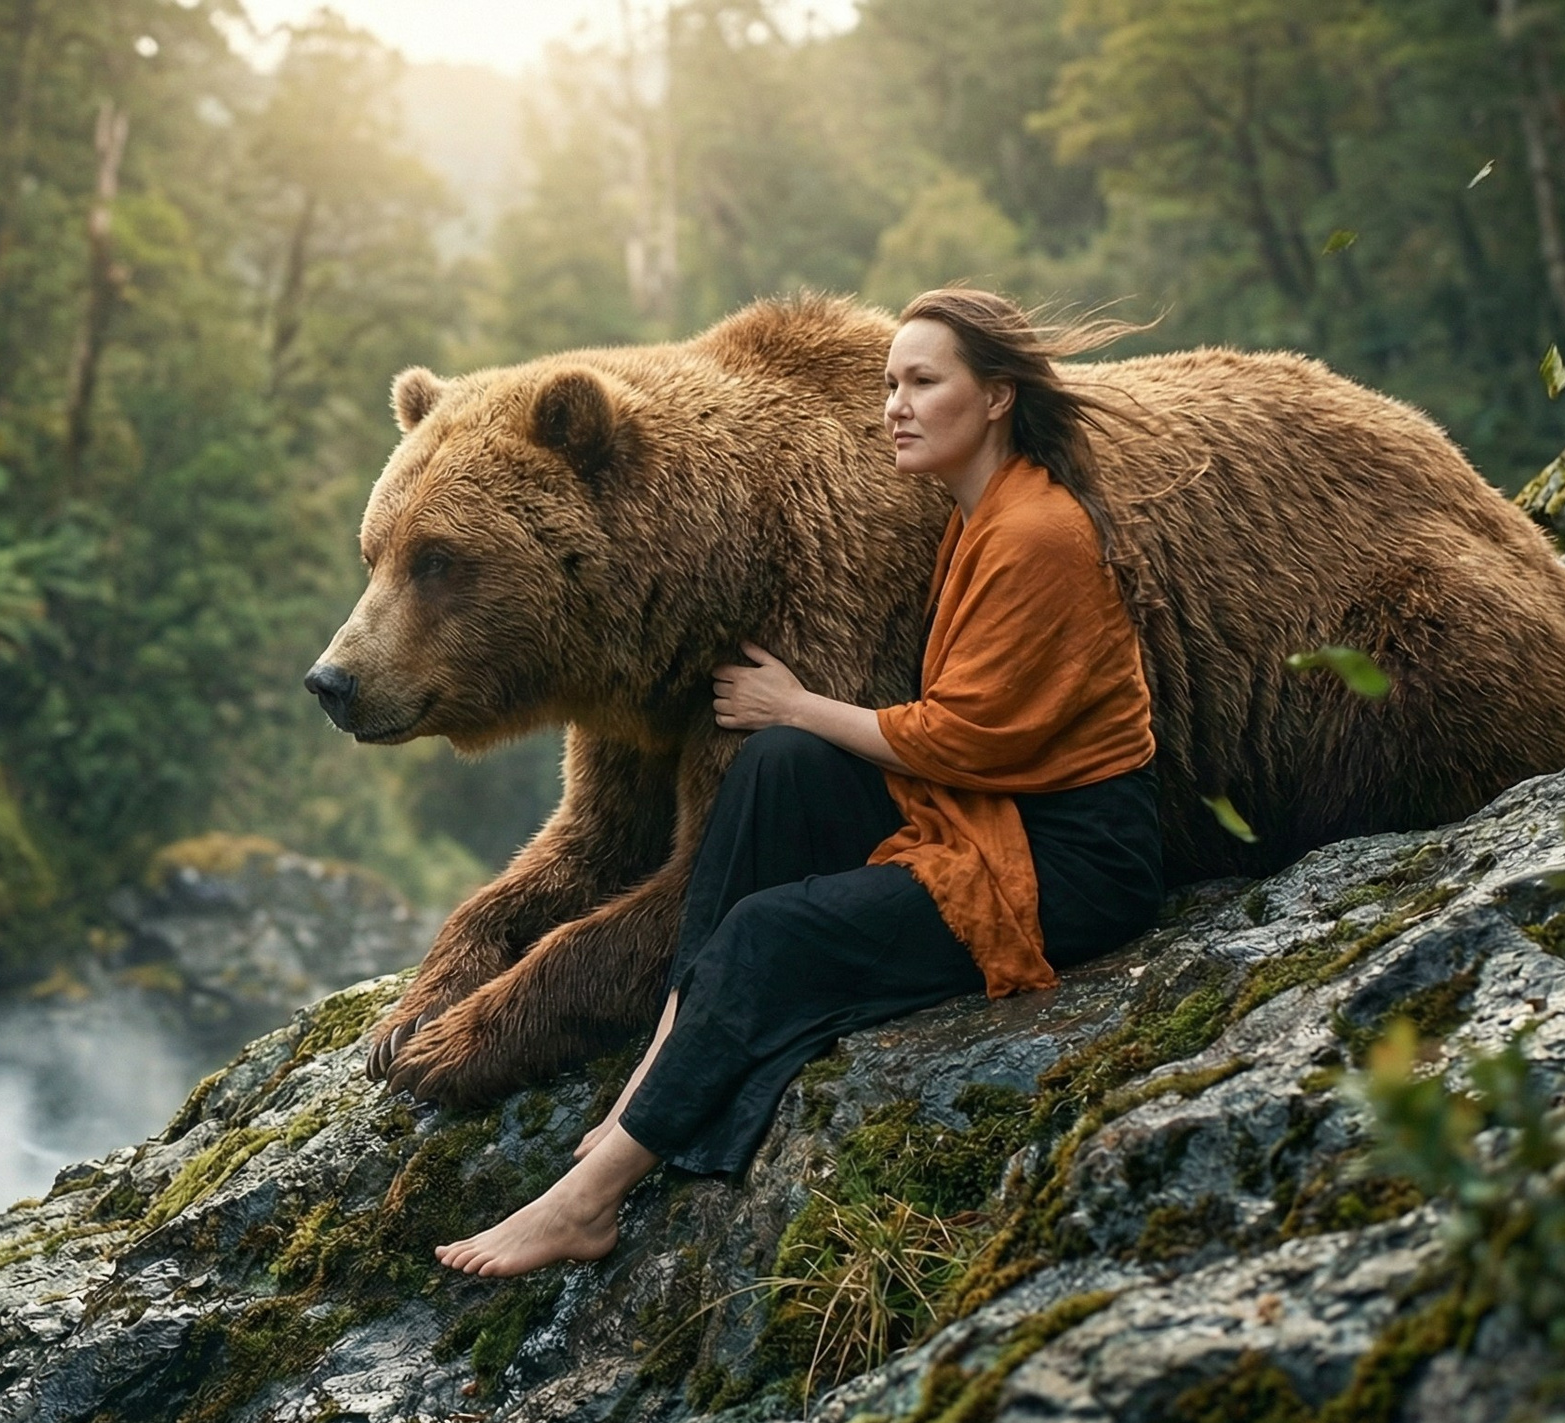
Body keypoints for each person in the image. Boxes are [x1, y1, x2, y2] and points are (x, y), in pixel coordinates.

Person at [432, 288, 1164, 1278]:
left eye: (921, 384)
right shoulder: (971, 510)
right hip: (992, 807)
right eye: (888, 382)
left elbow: (972, 741)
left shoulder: (1033, 532)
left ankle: (589, 1194)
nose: (891, 406)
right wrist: (790, 726)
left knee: (767, 931)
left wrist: (795, 705)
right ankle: (671, 1050)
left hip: (1065, 857)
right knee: (771, 772)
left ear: (995, 400)